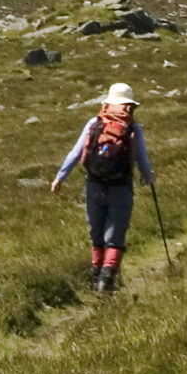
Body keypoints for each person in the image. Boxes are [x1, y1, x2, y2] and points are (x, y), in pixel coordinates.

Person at [51, 82, 154, 292]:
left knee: (96, 234)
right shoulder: (133, 128)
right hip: (121, 188)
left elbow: (75, 153)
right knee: (115, 235)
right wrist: (148, 177)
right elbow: (142, 159)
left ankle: (95, 275)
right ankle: (106, 281)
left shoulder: (93, 124)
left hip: (94, 185)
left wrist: (60, 177)